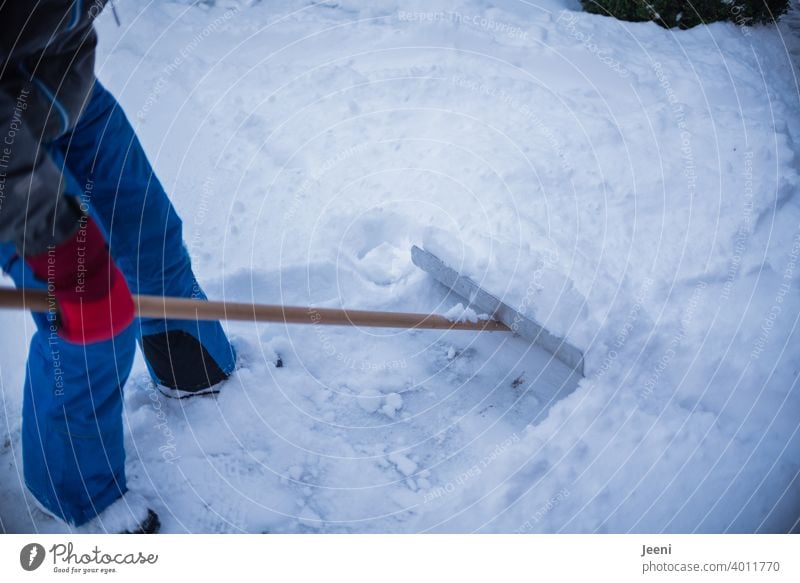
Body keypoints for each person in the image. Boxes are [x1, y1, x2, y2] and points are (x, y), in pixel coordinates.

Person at [0, 1, 237, 533]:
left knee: (149, 234)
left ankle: (189, 361)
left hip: (61, 85)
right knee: (88, 306)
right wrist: (46, 232)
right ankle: (73, 488)